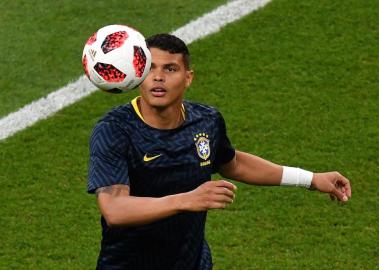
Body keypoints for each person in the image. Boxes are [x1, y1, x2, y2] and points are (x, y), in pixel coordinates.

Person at [87, 33, 351, 270]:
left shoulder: (206, 120)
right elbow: (115, 209)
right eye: (150, 68)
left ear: (188, 77)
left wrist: (311, 179)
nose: (158, 77)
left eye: (170, 68)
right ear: (138, 74)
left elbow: (233, 163)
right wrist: (186, 200)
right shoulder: (115, 130)